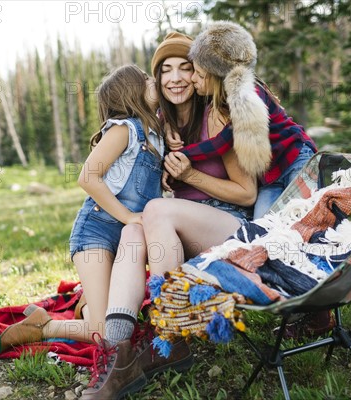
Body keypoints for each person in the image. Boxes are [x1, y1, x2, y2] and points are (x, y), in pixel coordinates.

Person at [79, 31, 258, 400]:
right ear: (157, 80)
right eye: (165, 70)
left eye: (184, 68)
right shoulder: (157, 125)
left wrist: (190, 175)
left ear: (198, 75)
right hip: (177, 237)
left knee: (153, 211)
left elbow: (247, 192)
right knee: (134, 229)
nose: (175, 77)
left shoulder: (216, 116)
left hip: (229, 229)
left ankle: (170, 331)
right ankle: (119, 355)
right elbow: (116, 159)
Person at [0, 65, 164, 351]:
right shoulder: (125, 130)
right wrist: (128, 217)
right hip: (96, 233)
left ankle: (89, 301)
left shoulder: (156, 136)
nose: (155, 82)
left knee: (123, 320)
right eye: (147, 79)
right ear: (133, 93)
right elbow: (87, 177)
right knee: (107, 334)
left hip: (124, 241)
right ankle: (45, 326)